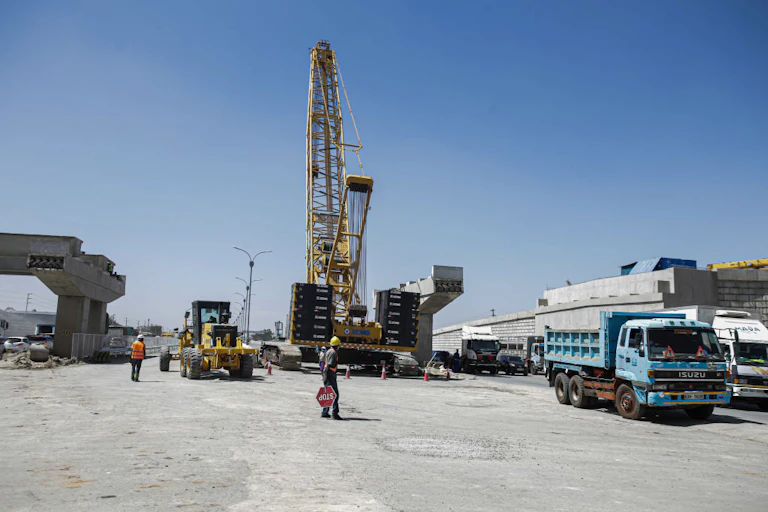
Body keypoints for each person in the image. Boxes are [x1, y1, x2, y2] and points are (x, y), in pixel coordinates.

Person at [321, 336, 342, 420]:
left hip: (327, 374)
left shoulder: (329, 351)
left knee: (328, 394)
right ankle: (334, 413)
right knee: (335, 394)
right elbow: (331, 365)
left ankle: (325, 412)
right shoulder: (333, 352)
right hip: (330, 375)